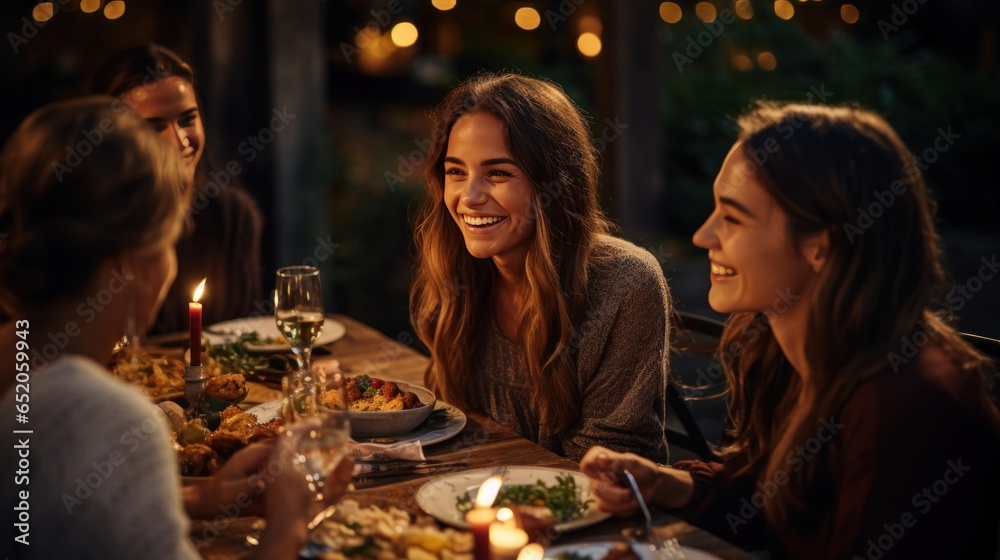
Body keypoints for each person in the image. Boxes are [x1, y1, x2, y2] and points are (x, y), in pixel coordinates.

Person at [580, 102, 1000, 558]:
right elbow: (767, 500)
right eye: (715, 208)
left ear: (821, 247)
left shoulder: (909, 404)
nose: (703, 235)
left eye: (734, 217)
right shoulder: (782, 348)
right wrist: (656, 481)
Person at [0, 97, 353, 560]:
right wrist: (288, 525)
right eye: (170, 242)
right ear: (129, 264)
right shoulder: (110, 419)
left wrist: (191, 498)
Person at [410, 73, 671, 463]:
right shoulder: (457, 267)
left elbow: (604, 465)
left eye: (498, 173)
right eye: (456, 171)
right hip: (477, 496)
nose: (470, 197)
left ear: (554, 183)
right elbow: (454, 418)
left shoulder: (627, 283)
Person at [89, 44, 264, 334]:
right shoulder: (95, 228)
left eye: (188, 119)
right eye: (154, 126)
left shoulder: (232, 216)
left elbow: (245, 340)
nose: (179, 140)